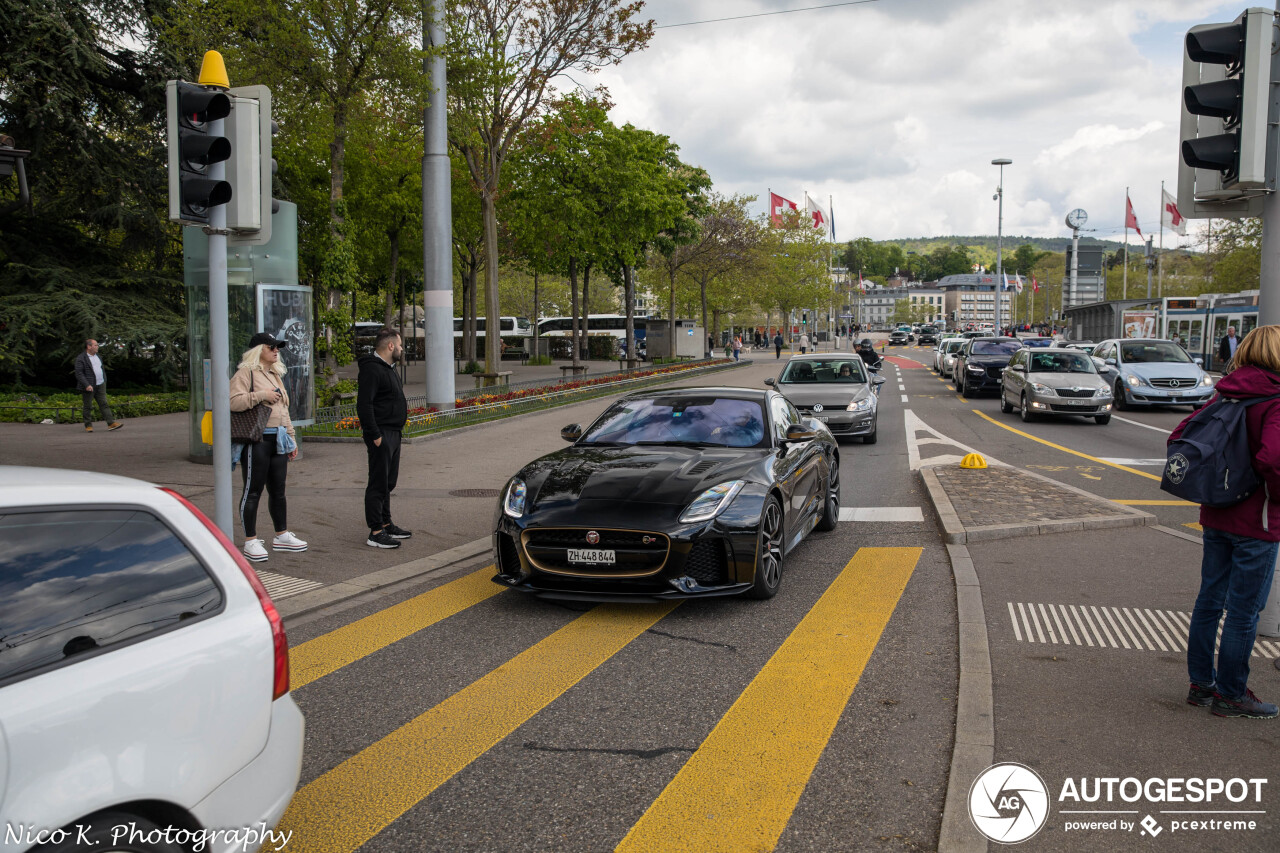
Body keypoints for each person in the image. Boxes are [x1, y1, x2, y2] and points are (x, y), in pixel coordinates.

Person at [1171, 325, 1280, 719]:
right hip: (1258, 521)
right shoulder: (1275, 399)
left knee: (1210, 601)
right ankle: (1232, 694)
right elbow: (1273, 459)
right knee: (1244, 611)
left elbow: (1181, 435)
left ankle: (1201, 684)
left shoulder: (1226, 391)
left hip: (1216, 513)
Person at [229, 332, 306, 562]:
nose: (276, 350)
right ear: (258, 350)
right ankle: (250, 540)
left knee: (278, 491)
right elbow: (232, 402)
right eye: (272, 347)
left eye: (277, 347)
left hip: (279, 439)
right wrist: (261, 395)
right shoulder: (245, 373)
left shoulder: (275, 374)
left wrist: (291, 438)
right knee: (253, 490)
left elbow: (284, 411)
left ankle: (281, 535)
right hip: (257, 439)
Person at [358, 327, 410, 549]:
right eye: (399, 345)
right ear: (390, 346)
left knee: (388, 482)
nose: (401, 348)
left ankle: (386, 523)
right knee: (378, 483)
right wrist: (375, 434)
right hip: (381, 434)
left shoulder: (388, 368)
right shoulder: (372, 370)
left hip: (393, 433)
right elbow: (364, 404)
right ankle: (376, 531)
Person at [74, 339, 122, 433]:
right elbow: (79, 373)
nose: (97, 347)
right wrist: (86, 384)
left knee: (104, 403)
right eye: (95, 345)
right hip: (89, 386)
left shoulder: (98, 356)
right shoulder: (81, 358)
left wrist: (104, 380)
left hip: (100, 384)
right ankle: (88, 425)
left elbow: (101, 369)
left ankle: (111, 423)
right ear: (89, 346)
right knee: (88, 405)